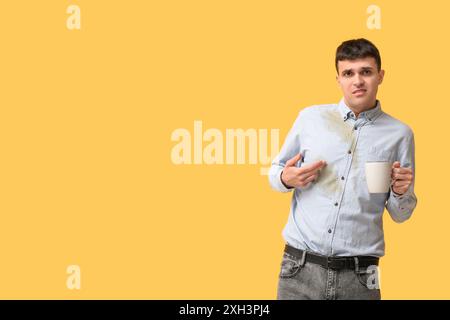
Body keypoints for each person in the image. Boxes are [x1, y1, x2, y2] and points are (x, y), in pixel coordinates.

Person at [268, 38, 417, 300]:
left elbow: (400, 214)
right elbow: (275, 172)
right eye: (348, 73)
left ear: (380, 76)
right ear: (338, 78)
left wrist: (401, 193)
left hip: (360, 276)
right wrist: (285, 178)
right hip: (298, 269)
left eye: (366, 72)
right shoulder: (310, 119)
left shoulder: (400, 134)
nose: (357, 80)